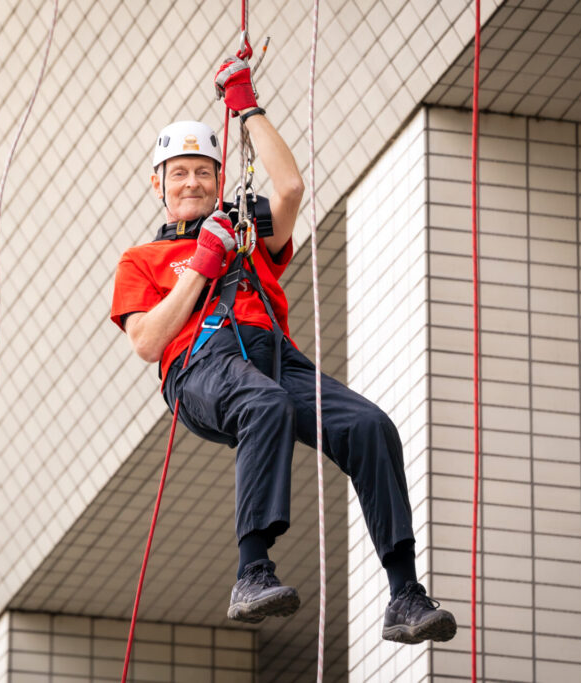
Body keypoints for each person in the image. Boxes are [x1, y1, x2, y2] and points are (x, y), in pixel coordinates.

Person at [110, 57, 455, 644]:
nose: (191, 183)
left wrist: (247, 105)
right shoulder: (141, 261)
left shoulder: (245, 227)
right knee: (264, 405)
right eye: (178, 174)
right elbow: (146, 341)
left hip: (274, 356)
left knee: (370, 425)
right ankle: (252, 571)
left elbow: (290, 187)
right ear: (157, 185)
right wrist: (201, 265)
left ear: (218, 180)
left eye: (202, 172)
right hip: (200, 368)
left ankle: (404, 594)